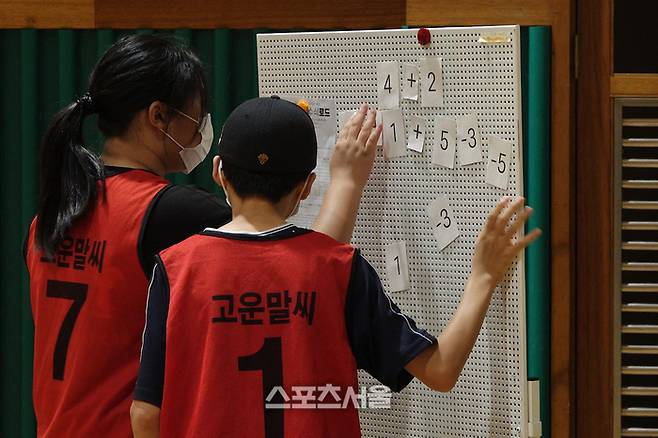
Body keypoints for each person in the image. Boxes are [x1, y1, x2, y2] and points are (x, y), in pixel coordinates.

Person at [23, 35, 378, 437]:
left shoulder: (50, 215)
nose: (203, 122)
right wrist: (347, 180)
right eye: (197, 110)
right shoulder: (168, 214)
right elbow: (303, 270)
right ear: (158, 116)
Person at [130, 96, 542, 437]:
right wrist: (484, 275)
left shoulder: (175, 267)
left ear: (219, 172)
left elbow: (146, 414)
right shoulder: (339, 268)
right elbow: (440, 369)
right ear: (307, 185)